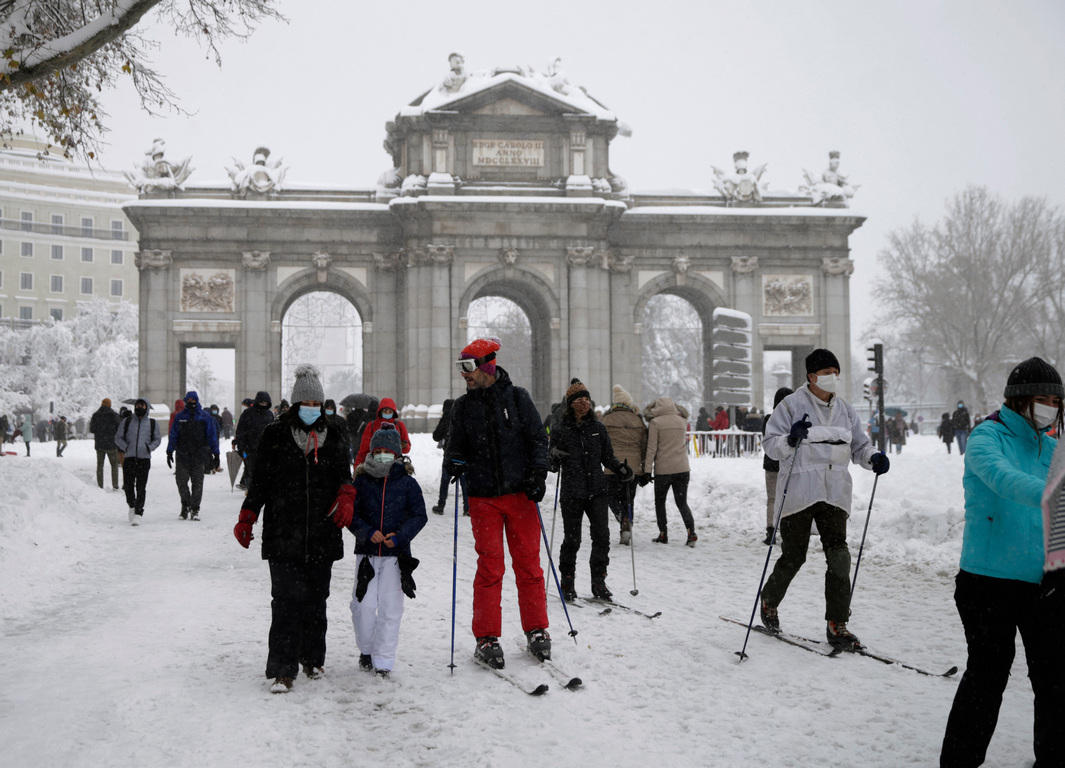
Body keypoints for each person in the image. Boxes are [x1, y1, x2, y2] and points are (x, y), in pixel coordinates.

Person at [940, 357, 1065, 767]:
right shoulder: (986, 437)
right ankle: (960, 761)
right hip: (986, 582)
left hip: (1043, 583)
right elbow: (1003, 478)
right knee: (988, 677)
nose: (1050, 407)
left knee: (1054, 681)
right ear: (1019, 400)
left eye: (1056, 400)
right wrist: (1052, 491)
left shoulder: (1052, 447)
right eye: (1042, 399)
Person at [232, 365, 355, 693]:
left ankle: (313, 659)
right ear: (296, 404)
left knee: (317, 598)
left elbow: (345, 472)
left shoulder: (337, 432)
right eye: (307, 404)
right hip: (284, 530)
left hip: (322, 531)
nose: (313, 409)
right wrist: (248, 515)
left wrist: (346, 493)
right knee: (285, 600)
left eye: (318, 404)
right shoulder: (274, 434)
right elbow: (260, 480)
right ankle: (282, 669)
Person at [760, 348, 889, 650]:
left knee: (839, 557)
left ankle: (837, 623)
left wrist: (873, 458)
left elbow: (859, 445)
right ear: (812, 376)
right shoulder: (791, 406)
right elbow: (770, 445)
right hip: (799, 493)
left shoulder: (845, 410)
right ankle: (769, 601)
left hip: (834, 493)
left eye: (836, 372)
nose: (834, 378)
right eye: (827, 373)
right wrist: (789, 439)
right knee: (794, 556)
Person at [444, 337, 551, 667]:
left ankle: (537, 629)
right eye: (461, 368)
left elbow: (537, 440)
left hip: (520, 495)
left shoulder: (518, 399)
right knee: (490, 568)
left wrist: (538, 474)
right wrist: (456, 463)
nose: (464, 375)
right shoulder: (463, 406)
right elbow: (454, 447)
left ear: (486, 366)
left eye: (468, 367)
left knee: (528, 565)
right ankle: (486, 637)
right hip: (483, 498)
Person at [348, 425, 427, 676]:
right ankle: (366, 648)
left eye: (387, 451)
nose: (382, 454)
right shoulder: (361, 481)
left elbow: (419, 515)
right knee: (363, 605)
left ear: (397, 454)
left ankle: (383, 659)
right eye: (378, 450)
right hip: (367, 555)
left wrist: (401, 536)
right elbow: (352, 516)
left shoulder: (407, 483)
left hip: (396, 557)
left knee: (391, 608)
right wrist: (367, 532)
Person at [550, 380, 634, 601]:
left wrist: (620, 468)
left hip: (597, 490)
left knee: (602, 537)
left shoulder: (598, 428)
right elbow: (551, 463)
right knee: (572, 540)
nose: (584, 404)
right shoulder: (560, 430)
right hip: (572, 492)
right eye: (579, 400)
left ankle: (599, 581)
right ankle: (567, 580)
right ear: (570, 404)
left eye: (587, 400)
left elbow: (607, 457)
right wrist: (553, 455)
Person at [644, 396, 698, 546]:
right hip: (682, 468)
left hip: (663, 470)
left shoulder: (655, 422)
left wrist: (647, 470)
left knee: (660, 502)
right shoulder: (682, 421)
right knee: (682, 502)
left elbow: (652, 448)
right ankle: (691, 531)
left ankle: (663, 533)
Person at [600, 384, 647, 546]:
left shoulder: (606, 419)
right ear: (628, 403)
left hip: (612, 466)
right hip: (632, 467)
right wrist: (643, 467)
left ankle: (621, 517)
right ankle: (626, 523)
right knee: (628, 498)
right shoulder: (638, 420)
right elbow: (643, 444)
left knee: (611, 497)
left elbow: (600, 442)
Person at [166, 390, 219, 521]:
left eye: (193, 400)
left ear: (197, 400)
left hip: (199, 454)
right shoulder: (179, 417)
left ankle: (195, 508)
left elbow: (212, 436)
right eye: (189, 400)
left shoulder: (205, 417)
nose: (191, 402)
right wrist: (169, 451)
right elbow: (173, 435)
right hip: (183, 454)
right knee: (181, 482)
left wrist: (216, 453)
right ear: (185, 401)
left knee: (197, 483)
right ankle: (185, 506)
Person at [115, 398, 161, 525]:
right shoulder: (127, 421)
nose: (139, 407)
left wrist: (149, 448)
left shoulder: (152, 423)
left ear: (147, 407)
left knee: (141, 487)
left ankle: (138, 512)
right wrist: (126, 447)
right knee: (128, 485)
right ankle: (132, 505)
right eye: (137, 405)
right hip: (129, 458)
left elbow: (157, 439)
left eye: (142, 405)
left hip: (144, 459)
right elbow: (118, 437)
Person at [762, 387, 794, 545]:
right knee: (788, 498)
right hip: (789, 465)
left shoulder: (769, 419)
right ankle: (788, 530)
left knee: (772, 499)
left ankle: (771, 530)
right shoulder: (793, 421)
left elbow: (767, 440)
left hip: (771, 464)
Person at [233, 391, 274, 492]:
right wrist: (241, 447)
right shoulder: (248, 413)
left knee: (264, 474)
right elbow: (240, 431)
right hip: (250, 450)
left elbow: (274, 432)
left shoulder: (269, 414)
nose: (263, 405)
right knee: (251, 472)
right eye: (261, 402)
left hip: (266, 450)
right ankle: (251, 493)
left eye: (265, 403)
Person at [353, 398, 411, 467]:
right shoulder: (372, 426)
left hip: (395, 465)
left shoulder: (399, 425)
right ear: (380, 411)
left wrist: (402, 445)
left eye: (390, 411)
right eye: (385, 411)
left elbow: (407, 449)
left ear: (394, 413)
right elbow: (364, 450)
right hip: (375, 465)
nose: (387, 413)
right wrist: (357, 468)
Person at [431, 398, 463, 515]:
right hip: (462, 453)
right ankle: (467, 507)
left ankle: (441, 505)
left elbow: (436, 436)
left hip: (449, 453)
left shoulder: (446, 419)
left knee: (445, 479)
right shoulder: (462, 417)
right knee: (463, 480)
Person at [89, 398, 120, 489]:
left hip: (100, 444)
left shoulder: (95, 415)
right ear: (110, 405)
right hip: (112, 445)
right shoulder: (114, 415)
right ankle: (115, 485)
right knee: (114, 465)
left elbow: (92, 429)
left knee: (100, 465)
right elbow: (119, 428)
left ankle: (100, 485)